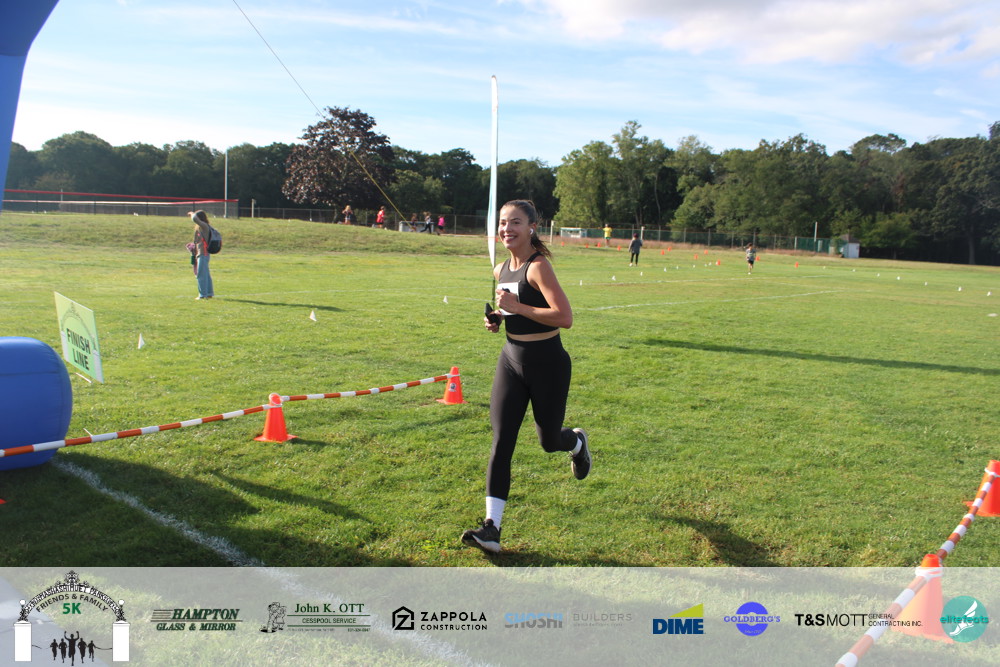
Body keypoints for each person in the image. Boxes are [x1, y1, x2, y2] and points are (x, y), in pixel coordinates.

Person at [462, 199, 591, 554]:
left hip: (547, 363)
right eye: (503, 223)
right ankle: (492, 528)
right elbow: (511, 309)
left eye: (515, 222)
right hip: (511, 360)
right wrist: (498, 318)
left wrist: (517, 307)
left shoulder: (538, 267)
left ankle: (576, 444)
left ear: (532, 226)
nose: (507, 229)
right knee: (501, 441)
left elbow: (564, 317)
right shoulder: (500, 269)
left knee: (549, 441)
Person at [186, 210, 214, 300]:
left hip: (203, 253)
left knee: (201, 274)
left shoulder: (204, 226)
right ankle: (209, 293)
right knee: (206, 274)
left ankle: (202, 295)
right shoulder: (201, 227)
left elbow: (194, 218)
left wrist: (191, 213)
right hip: (201, 253)